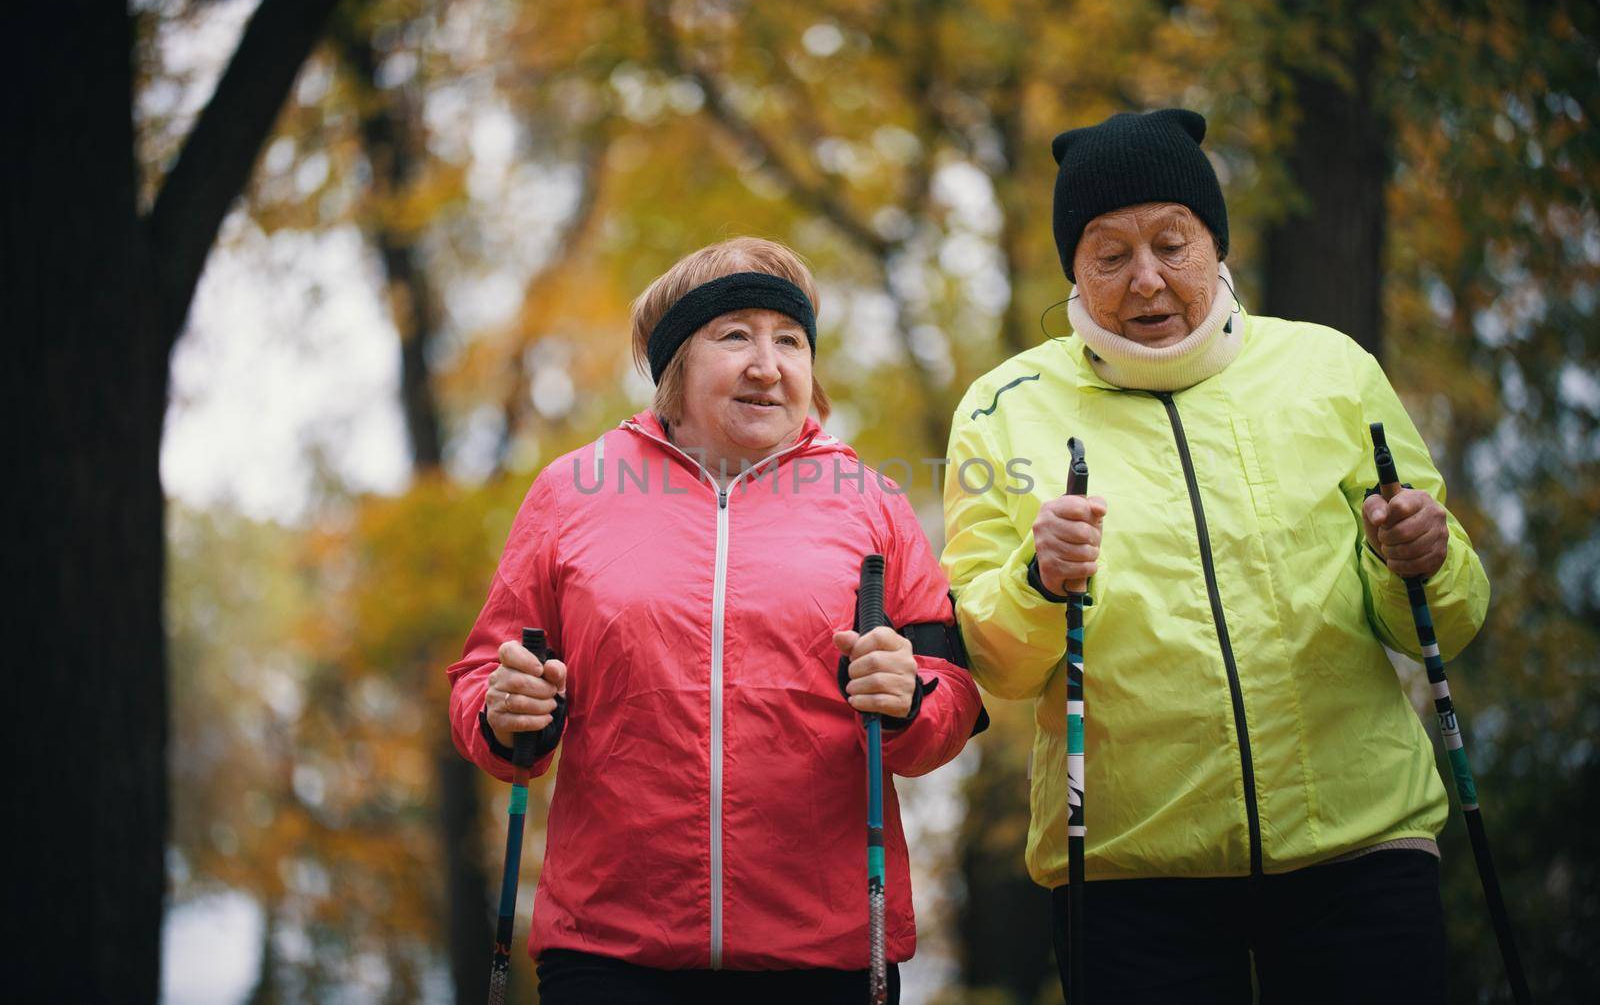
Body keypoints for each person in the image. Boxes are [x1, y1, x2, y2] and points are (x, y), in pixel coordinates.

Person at [941, 109, 1489, 1003]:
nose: (1146, 280)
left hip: (1357, 846)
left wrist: (1420, 557)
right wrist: (1039, 580)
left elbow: (1445, 620)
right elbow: (996, 662)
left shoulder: (1329, 369)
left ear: (1217, 244)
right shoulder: (1004, 409)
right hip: (1126, 871)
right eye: (1110, 255)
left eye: (1172, 242)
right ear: (1073, 269)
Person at [449, 236, 985, 1004]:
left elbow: (954, 694)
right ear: (677, 368)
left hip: (824, 957)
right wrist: (504, 713)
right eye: (735, 335)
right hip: (611, 954)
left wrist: (909, 698)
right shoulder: (571, 494)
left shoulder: (872, 500)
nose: (768, 365)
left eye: (790, 341)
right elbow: (479, 678)